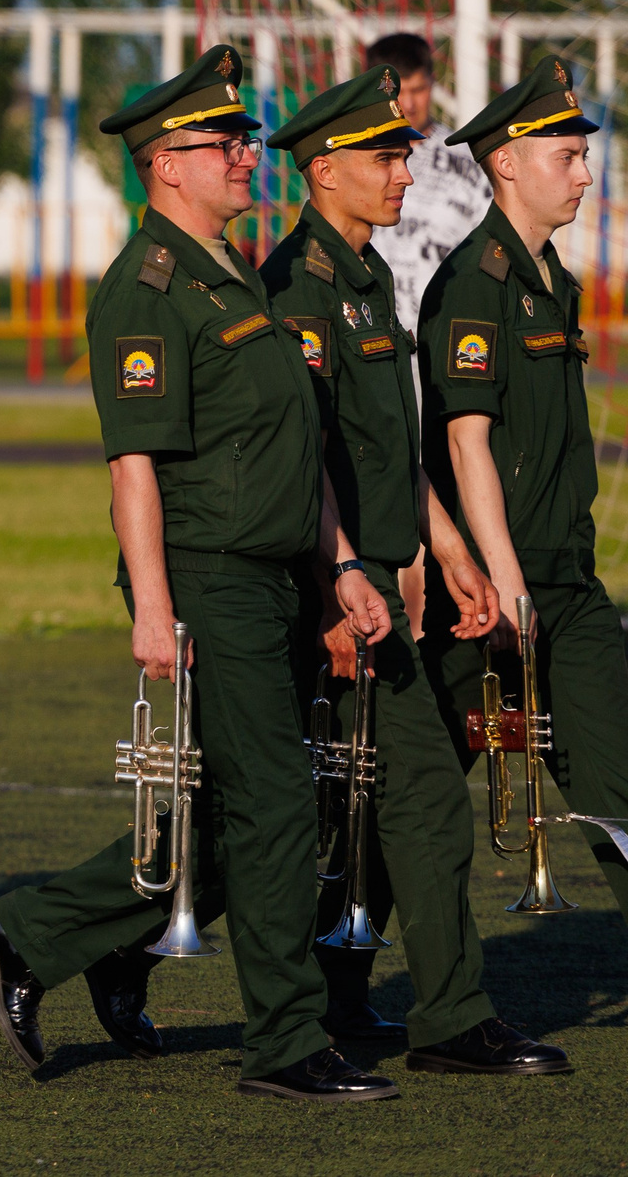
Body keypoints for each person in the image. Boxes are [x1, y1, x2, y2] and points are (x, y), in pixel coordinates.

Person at [0, 43, 401, 1103]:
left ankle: (39, 934)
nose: (247, 155)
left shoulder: (231, 277)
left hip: (277, 573)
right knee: (272, 805)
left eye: (245, 138)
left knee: (226, 813)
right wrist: (154, 607)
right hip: (207, 574)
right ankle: (287, 1043)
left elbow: (289, 441)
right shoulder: (146, 290)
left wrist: (338, 563)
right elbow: (134, 468)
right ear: (167, 164)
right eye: (226, 143)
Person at [260, 66, 565, 1077]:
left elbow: (386, 443)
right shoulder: (295, 290)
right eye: (385, 156)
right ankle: (78, 939)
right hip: (331, 589)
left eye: (401, 151)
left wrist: (444, 548)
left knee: (388, 801)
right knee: (296, 807)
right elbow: (303, 461)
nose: (404, 171)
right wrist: (346, 579)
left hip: (383, 578)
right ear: (323, 169)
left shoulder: (363, 278)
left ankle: (419, 1008)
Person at [419, 55, 628, 927]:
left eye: (586, 156)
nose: (585, 173)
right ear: (506, 161)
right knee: (408, 797)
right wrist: (504, 580)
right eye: (567, 155)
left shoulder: (555, 284)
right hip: (485, 593)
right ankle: (340, 979)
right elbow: (467, 444)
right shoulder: (476, 283)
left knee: (616, 774)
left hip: (565, 581)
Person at [366, 32, 494, 327]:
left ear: (433, 84)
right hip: (370, 339)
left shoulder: (469, 160)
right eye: (400, 92)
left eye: (419, 89)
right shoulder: (349, 160)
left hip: (446, 337)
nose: (409, 104)